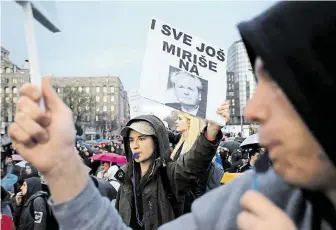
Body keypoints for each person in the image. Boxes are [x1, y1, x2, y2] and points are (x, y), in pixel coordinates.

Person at [8, 2, 336, 230]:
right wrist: (61, 165)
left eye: (277, 82)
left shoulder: (172, 174)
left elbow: (195, 162)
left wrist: (209, 131)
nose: (252, 109)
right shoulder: (264, 193)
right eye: (130, 139)